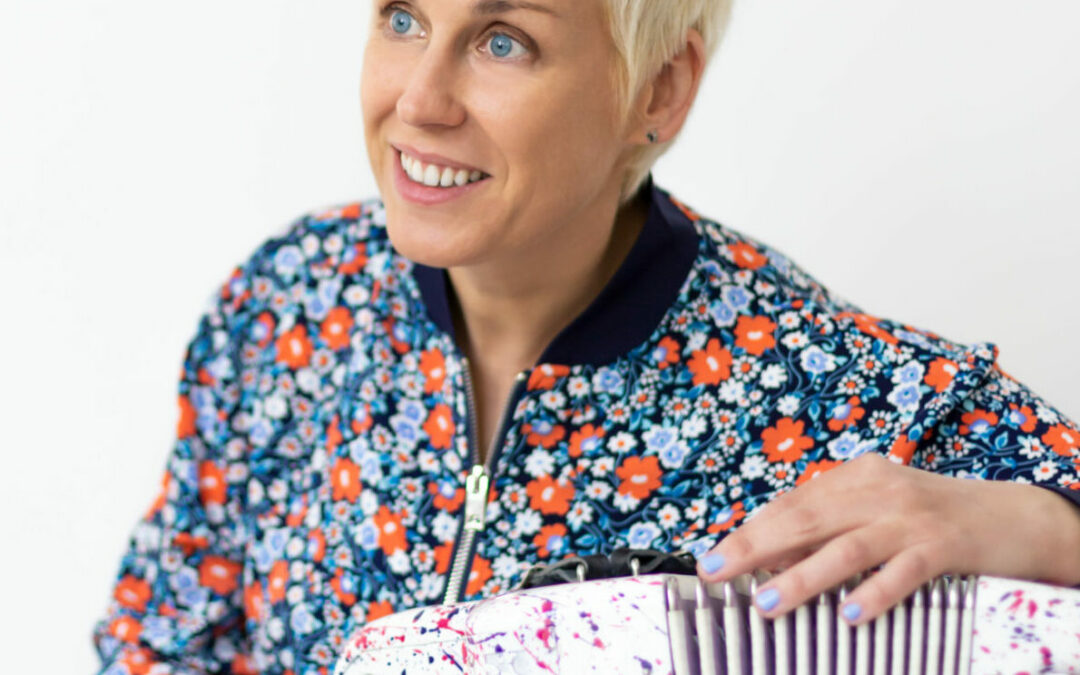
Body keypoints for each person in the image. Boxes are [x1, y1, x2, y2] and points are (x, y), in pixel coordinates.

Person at [92, 0, 1080, 673]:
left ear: (658, 90)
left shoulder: (834, 386)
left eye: (504, 40)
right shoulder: (289, 302)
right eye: (402, 18)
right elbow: (162, 634)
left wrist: (1045, 527)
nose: (419, 101)